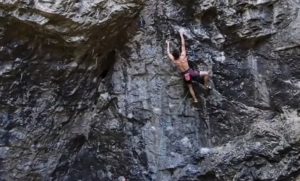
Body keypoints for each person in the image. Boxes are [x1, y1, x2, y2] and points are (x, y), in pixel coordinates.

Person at [166, 29, 211, 103]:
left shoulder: (175, 61)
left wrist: (167, 44)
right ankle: (206, 86)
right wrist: (181, 34)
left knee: (190, 87)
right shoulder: (183, 56)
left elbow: (168, 53)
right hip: (191, 72)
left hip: (186, 75)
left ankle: (195, 99)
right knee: (206, 73)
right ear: (179, 53)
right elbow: (183, 45)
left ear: (174, 56)